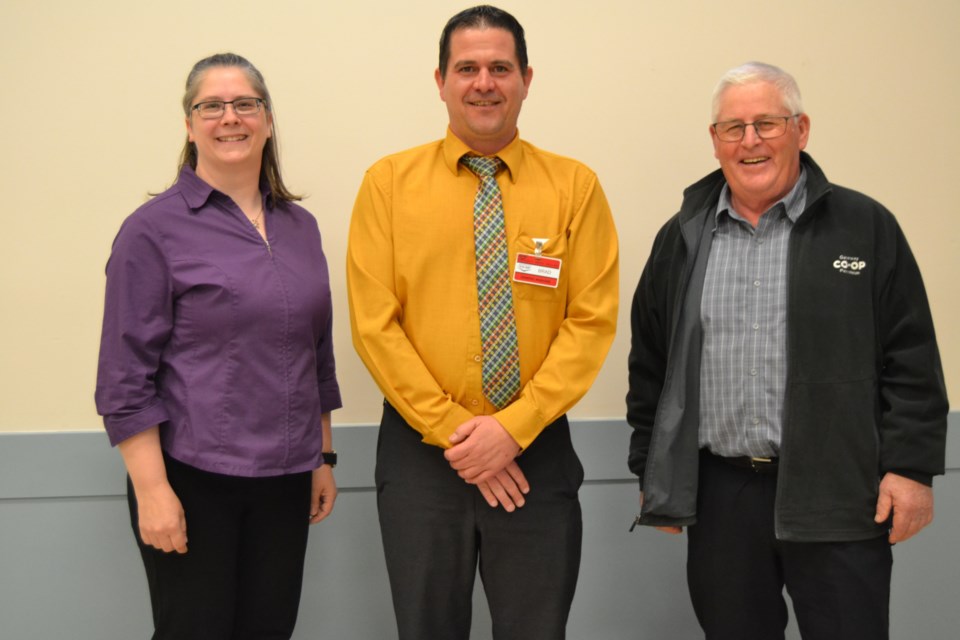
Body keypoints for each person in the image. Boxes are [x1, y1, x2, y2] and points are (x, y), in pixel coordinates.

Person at [626, 61, 948, 639]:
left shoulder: (864, 227)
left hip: (840, 491)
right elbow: (650, 363)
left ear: (801, 130)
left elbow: (911, 357)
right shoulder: (682, 237)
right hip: (723, 496)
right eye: (734, 127)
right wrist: (651, 469)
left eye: (767, 124)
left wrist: (911, 468)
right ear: (715, 140)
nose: (750, 141)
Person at [346, 6, 618, 639]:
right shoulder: (387, 185)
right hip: (420, 459)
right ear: (440, 80)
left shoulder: (575, 187)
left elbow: (590, 323)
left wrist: (512, 430)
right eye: (467, 68)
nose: (484, 82)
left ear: (527, 77)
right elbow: (373, 326)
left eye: (500, 67)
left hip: (537, 452)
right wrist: (462, 434)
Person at [95, 52, 341, 640]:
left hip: (286, 481)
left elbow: (316, 353)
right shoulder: (152, 230)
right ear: (189, 124)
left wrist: (323, 458)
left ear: (268, 119)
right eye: (211, 105)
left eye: (245, 104)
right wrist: (153, 493)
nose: (230, 117)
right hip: (190, 479)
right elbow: (124, 379)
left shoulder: (300, 228)